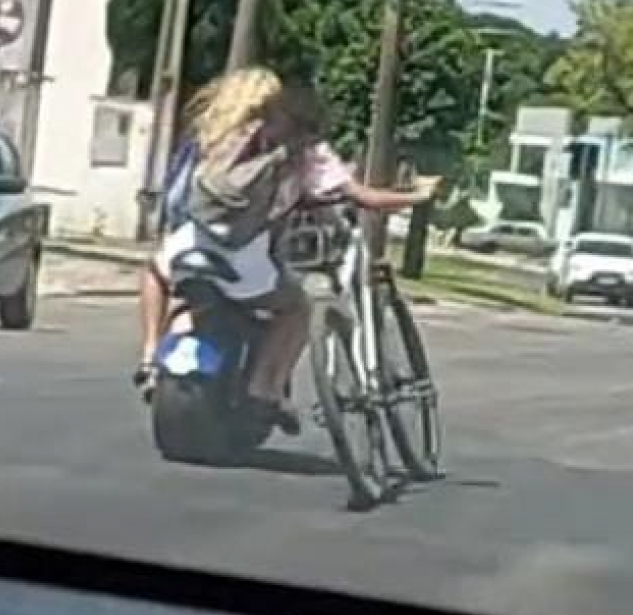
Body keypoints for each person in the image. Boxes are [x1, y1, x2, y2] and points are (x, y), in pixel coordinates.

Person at [135, 67, 437, 432]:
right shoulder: (307, 156)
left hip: (189, 249)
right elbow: (363, 197)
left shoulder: (216, 139)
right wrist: (417, 196)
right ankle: (266, 387)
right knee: (298, 308)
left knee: (156, 272)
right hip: (244, 264)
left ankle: (150, 356)